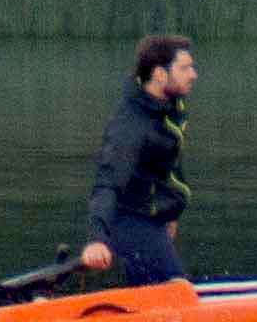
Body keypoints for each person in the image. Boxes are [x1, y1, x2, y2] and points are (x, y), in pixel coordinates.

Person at [78, 36, 199, 283]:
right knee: (177, 289)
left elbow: (167, 164)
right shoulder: (131, 125)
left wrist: (171, 212)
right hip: (130, 221)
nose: (193, 74)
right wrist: (96, 239)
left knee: (152, 293)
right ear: (159, 74)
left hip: (153, 219)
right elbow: (107, 182)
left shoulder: (167, 104)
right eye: (185, 68)